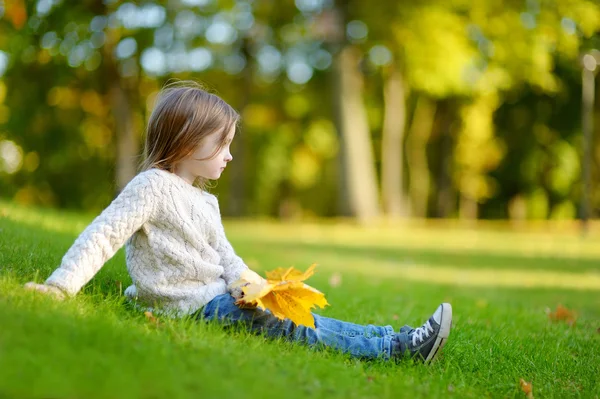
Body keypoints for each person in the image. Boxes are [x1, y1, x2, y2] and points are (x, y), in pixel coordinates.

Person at [24, 81, 452, 363]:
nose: (229, 155)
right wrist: (61, 286)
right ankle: (394, 349)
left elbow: (224, 255)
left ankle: (396, 337)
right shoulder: (151, 187)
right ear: (188, 141)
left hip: (219, 300)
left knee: (294, 312)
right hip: (193, 309)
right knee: (295, 329)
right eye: (222, 144)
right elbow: (103, 235)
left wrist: (250, 283)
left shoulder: (205, 202)